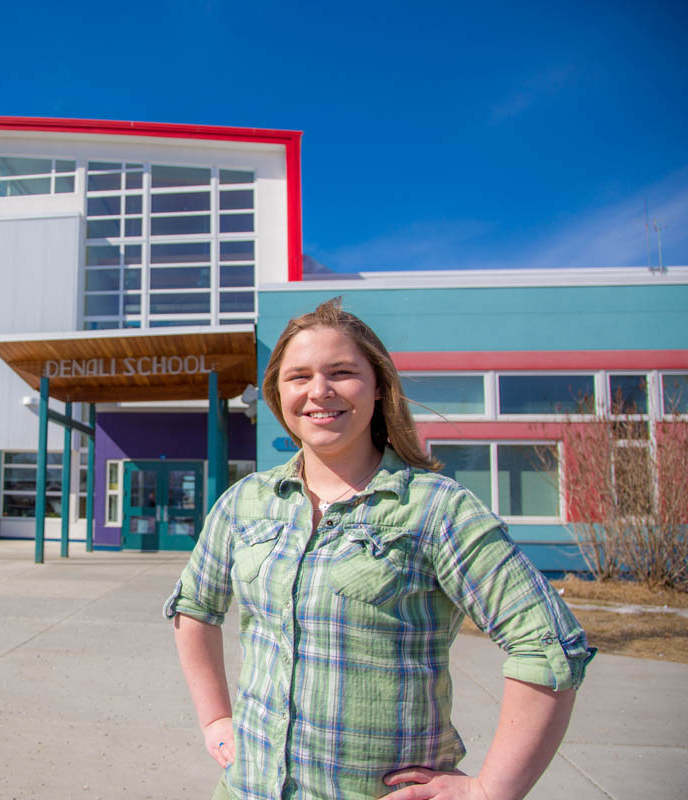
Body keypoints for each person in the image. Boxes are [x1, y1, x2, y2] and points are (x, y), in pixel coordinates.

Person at [164, 298, 595, 800]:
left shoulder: (436, 508)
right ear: (278, 394)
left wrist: (487, 791)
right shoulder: (247, 502)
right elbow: (194, 607)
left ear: (378, 388)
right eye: (298, 376)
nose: (318, 391)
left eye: (341, 372)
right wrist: (217, 717)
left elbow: (549, 644)